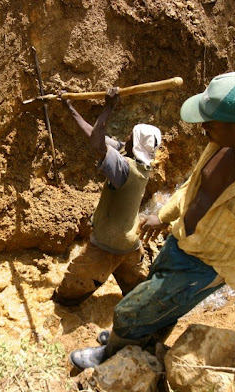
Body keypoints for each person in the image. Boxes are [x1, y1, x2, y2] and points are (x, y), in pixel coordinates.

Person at [70, 72, 235, 370]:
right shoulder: (224, 144)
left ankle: (110, 356)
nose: (202, 129)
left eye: (209, 123)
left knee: (128, 310)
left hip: (204, 268)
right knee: (157, 307)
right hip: (179, 241)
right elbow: (193, 186)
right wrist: (164, 216)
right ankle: (137, 344)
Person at [51, 88, 162, 307]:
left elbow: (96, 145)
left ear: (134, 144)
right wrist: (69, 107)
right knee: (137, 296)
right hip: (130, 242)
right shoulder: (141, 164)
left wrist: (109, 106)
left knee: (66, 297)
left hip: (106, 245)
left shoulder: (123, 168)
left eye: (131, 136)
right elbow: (94, 134)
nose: (126, 137)